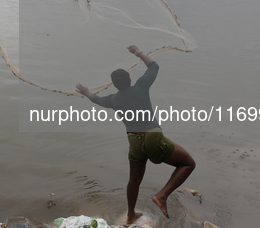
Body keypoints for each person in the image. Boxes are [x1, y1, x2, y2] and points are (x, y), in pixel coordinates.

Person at [75, 45, 195, 225]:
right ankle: (162, 196)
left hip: (134, 141)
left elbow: (96, 99)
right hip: (152, 136)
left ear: (114, 85)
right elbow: (154, 66)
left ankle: (131, 215)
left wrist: (86, 92)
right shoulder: (141, 86)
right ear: (130, 79)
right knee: (188, 164)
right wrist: (137, 52)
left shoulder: (113, 100)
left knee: (134, 180)